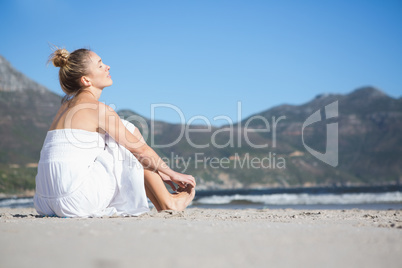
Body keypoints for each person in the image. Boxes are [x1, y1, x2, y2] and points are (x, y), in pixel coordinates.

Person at [33, 47, 196, 217]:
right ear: (86, 80)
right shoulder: (98, 109)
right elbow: (139, 150)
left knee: (118, 134)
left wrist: (160, 171)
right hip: (76, 201)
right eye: (100, 65)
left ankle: (163, 201)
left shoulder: (64, 109)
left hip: (44, 202)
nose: (107, 66)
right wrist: (171, 173)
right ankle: (168, 202)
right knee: (128, 129)